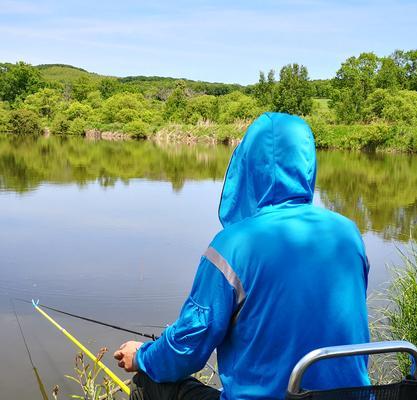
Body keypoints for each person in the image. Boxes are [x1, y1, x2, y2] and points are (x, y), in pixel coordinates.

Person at [114, 112, 370, 400]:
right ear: (308, 164)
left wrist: (142, 356)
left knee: (146, 383)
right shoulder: (348, 235)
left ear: (248, 166)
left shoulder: (232, 246)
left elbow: (188, 349)